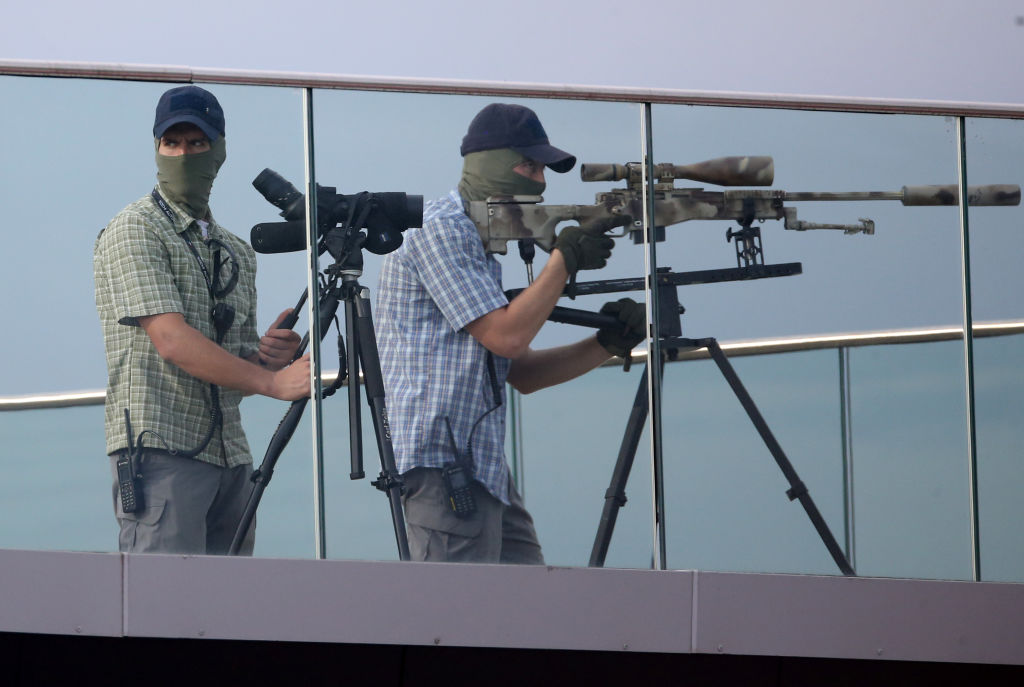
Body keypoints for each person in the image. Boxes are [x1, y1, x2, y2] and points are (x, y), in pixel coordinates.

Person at [376, 103, 645, 564]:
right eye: (529, 165)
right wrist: (563, 260)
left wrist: (606, 344)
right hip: (443, 463)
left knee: (528, 614)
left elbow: (521, 373)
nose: (540, 181)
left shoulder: (482, 248)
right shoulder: (441, 230)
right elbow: (507, 338)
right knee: (457, 622)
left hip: (479, 463)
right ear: (491, 164)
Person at [93, 85, 311, 555]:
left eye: (197, 143)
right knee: (161, 614)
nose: (183, 154)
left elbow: (229, 369)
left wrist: (267, 360)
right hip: (160, 450)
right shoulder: (135, 227)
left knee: (229, 615)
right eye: (172, 143)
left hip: (231, 457)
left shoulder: (235, 249)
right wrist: (273, 384)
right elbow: (171, 340)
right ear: (156, 148)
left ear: (220, 150)